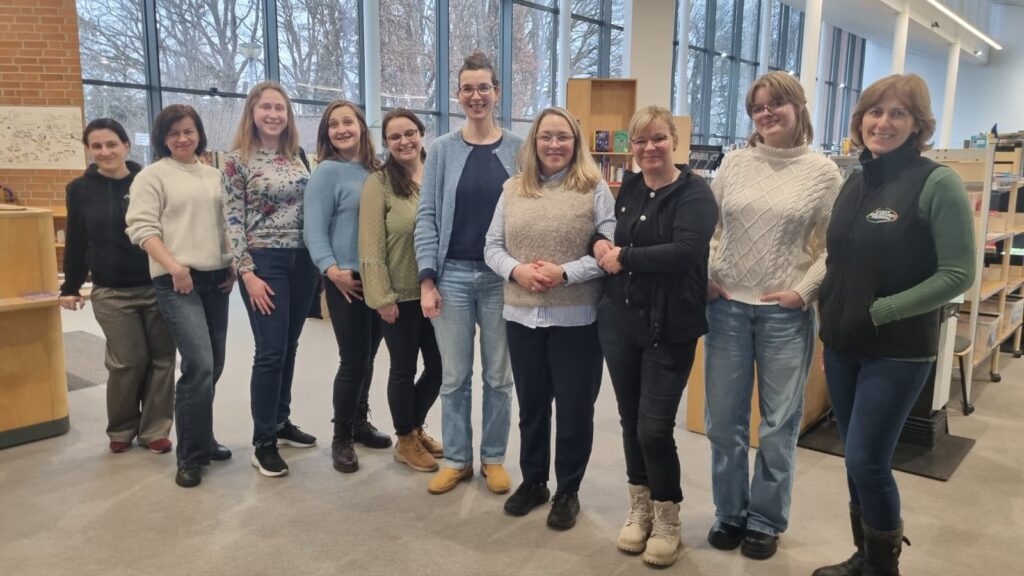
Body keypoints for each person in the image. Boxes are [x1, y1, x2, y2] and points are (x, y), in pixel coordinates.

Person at [814, 74, 974, 576]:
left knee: (867, 460)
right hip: (843, 344)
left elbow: (958, 273)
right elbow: (839, 261)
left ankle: (884, 568)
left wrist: (884, 310)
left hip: (897, 349)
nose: (883, 123)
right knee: (854, 459)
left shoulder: (937, 183)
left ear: (917, 124)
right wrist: (828, 322)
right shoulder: (855, 179)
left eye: (898, 113)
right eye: (874, 111)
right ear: (860, 119)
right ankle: (865, 557)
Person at [703, 71, 843, 560]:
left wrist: (804, 291)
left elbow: (833, 247)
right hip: (726, 308)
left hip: (784, 315)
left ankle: (765, 519)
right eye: (757, 107)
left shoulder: (823, 173)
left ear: (798, 106)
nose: (766, 114)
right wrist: (707, 273)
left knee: (778, 425)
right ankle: (729, 511)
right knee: (724, 422)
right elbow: (709, 227)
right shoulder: (735, 163)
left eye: (775, 104)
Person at [593, 106, 717, 567]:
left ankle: (667, 518)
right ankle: (640, 508)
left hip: (671, 327)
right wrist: (599, 244)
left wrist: (624, 257)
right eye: (640, 141)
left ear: (674, 142)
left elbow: (685, 252)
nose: (649, 148)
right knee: (630, 420)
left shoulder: (695, 193)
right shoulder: (628, 186)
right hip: (620, 322)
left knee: (654, 427)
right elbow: (606, 234)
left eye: (658, 138)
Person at [483, 107, 614, 530]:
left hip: (576, 319)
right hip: (521, 315)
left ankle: (567, 490)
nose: (554, 145)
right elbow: (491, 246)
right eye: (546, 137)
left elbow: (609, 250)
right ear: (534, 142)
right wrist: (517, 270)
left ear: (575, 143)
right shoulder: (512, 188)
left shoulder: (594, 188)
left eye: (563, 137)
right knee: (532, 407)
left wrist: (565, 273)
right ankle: (535, 481)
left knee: (575, 410)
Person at [414, 51, 524, 495]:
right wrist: (427, 280)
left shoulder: (519, 149)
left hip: (502, 279)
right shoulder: (441, 150)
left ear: (496, 92)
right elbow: (427, 217)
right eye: (467, 89)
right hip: (452, 277)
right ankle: (458, 459)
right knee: (454, 377)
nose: (476, 96)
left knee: (499, 377)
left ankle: (493, 458)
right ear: (458, 95)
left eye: (484, 88)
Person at [126, 104, 235, 488]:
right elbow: (141, 229)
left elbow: (227, 225)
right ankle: (190, 455)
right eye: (174, 133)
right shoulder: (152, 176)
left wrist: (232, 263)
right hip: (177, 281)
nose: (182, 138)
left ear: (199, 134)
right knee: (199, 364)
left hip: (216, 280)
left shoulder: (215, 176)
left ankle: (202, 436)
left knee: (214, 365)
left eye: (189, 131)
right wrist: (175, 267)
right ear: (163, 138)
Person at [60, 118, 177, 455]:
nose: (105, 151)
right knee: (128, 361)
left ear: (126, 145)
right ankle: (122, 428)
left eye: (111, 144)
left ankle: (155, 430)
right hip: (111, 292)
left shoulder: (149, 180)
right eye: (96, 146)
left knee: (162, 360)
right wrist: (71, 286)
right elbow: (77, 240)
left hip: (157, 286)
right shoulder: (79, 189)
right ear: (88, 150)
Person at [223, 81, 319, 478]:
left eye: (280, 108)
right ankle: (263, 442)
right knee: (270, 351)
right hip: (265, 261)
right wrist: (247, 272)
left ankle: (280, 420)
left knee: (289, 347)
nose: (274, 114)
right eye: (266, 107)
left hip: (304, 260)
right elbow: (232, 218)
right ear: (252, 112)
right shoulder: (237, 160)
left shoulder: (297, 156)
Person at [304, 100, 392, 474]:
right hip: (347, 279)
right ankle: (341, 437)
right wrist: (331, 270)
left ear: (361, 127)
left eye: (348, 122)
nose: (341, 129)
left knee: (368, 356)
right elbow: (313, 228)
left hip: (378, 278)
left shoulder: (377, 170)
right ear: (326, 133)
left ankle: (359, 422)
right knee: (353, 359)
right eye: (333, 124)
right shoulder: (327, 172)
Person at [359, 108, 444, 473]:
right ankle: (405, 438)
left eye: (410, 133)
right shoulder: (378, 183)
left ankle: (415, 426)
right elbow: (370, 245)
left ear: (422, 134)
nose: (404, 141)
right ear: (386, 143)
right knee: (403, 369)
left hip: (438, 292)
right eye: (395, 137)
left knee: (441, 367)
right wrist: (381, 298)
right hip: (399, 296)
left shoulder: (438, 174)